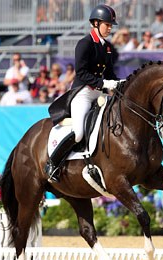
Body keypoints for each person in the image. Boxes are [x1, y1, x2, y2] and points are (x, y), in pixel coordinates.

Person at [45, 4, 119, 182]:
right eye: (107, 24)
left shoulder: (107, 47)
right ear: (95, 23)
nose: (109, 28)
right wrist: (104, 83)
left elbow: (109, 73)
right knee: (78, 132)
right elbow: (82, 73)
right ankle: (52, 163)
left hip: (99, 93)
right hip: (83, 93)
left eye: (110, 25)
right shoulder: (85, 43)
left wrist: (119, 84)